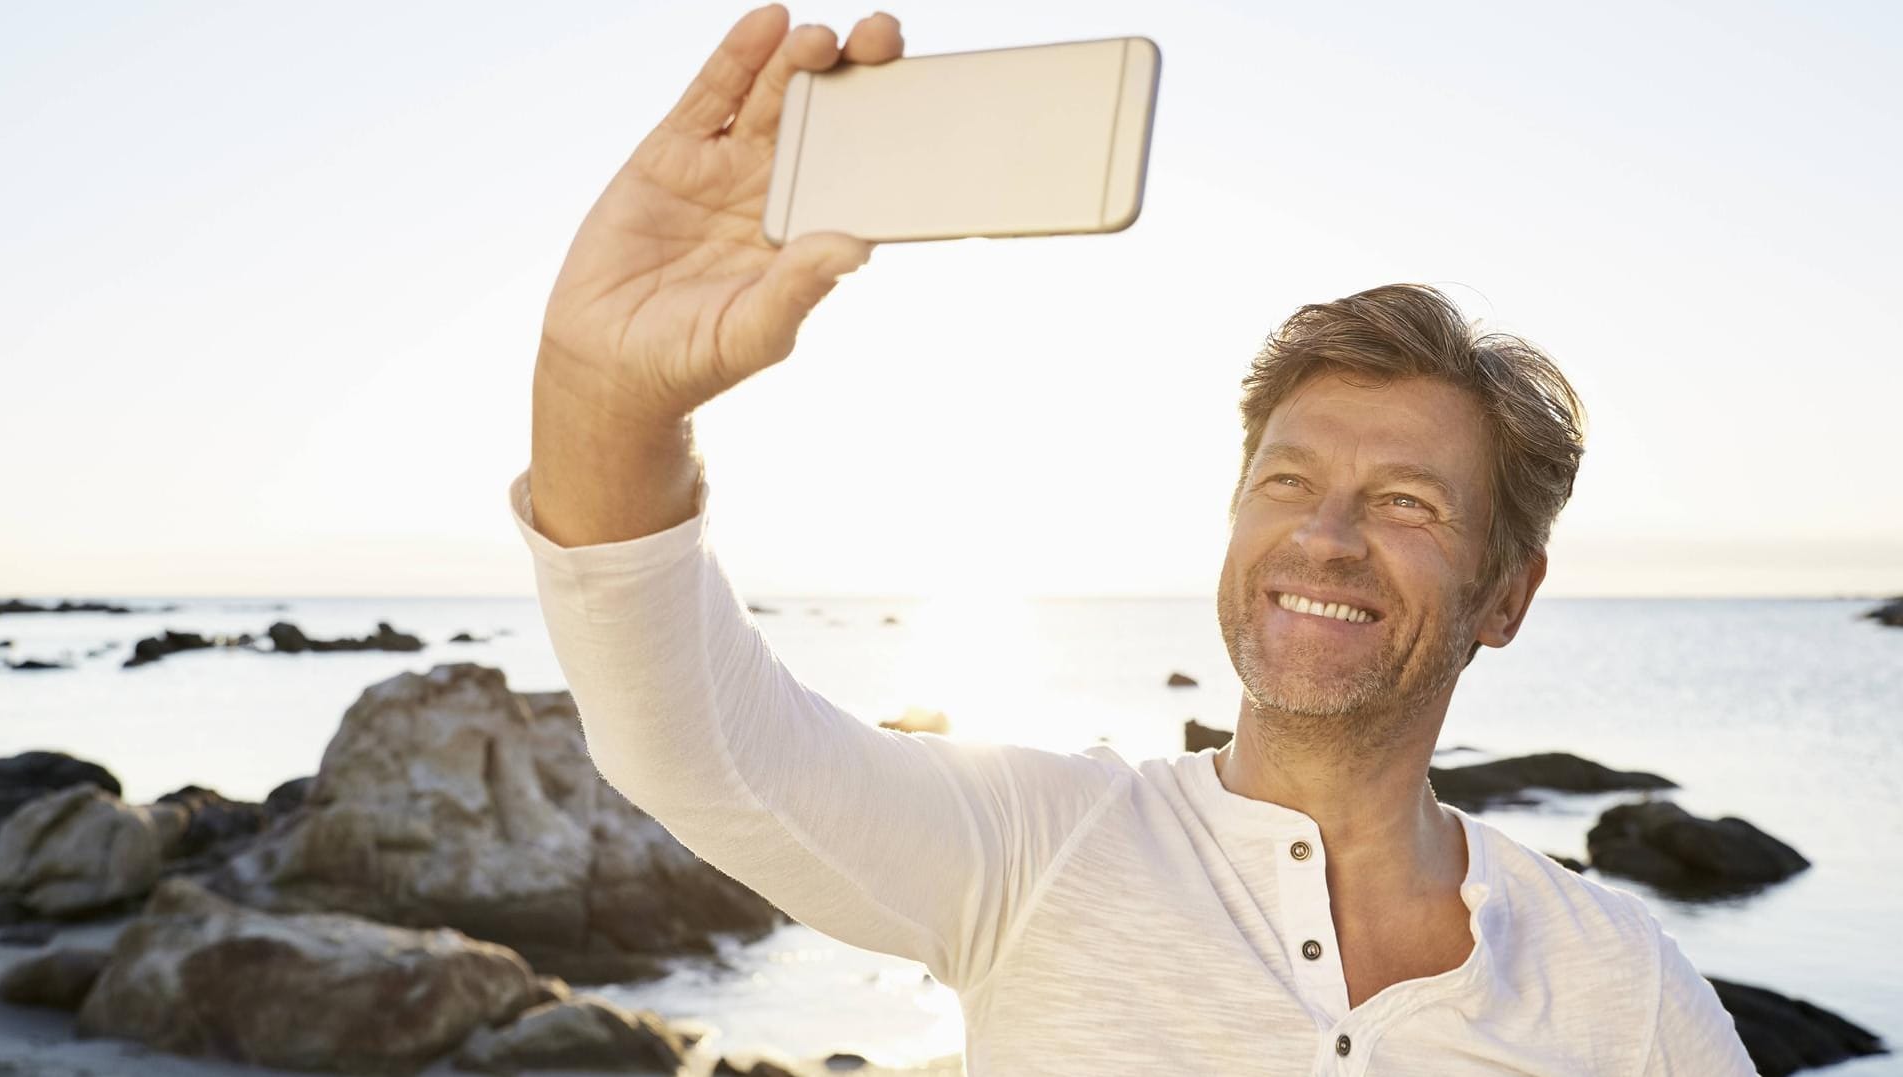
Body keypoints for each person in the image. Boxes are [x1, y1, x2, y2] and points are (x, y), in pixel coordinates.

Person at [512, 5, 1757, 1072]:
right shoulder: (1036, 846)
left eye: (1405, 504)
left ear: (1508, 594)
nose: (1324, 537)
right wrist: (607, 394)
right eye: (1286, 481)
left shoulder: (1623, 994)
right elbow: (698, 747)